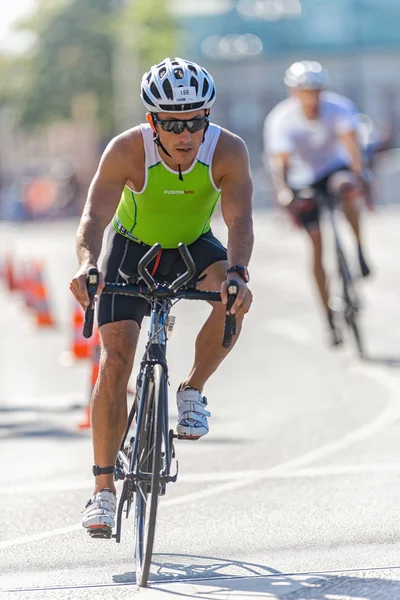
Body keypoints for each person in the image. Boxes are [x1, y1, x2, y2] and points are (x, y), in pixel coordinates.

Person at [70, 57, 253, 536]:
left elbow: (239, 221)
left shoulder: (228, 151)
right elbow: (94, 218)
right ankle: (103, 491)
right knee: (116, 360)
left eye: (195, 121)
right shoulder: (127, 150)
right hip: (133, 250)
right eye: (173, 123)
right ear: (153, 121)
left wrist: (237, 273)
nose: (186, 133)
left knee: (234, 297)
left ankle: (192, 388)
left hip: (195, 247)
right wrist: (87, 265)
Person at [264, 60, 371, 346]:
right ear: (294, 93)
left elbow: (352, 146)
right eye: (306, 92)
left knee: (347, 188)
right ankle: (329, 317)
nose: (312, 98)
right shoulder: (281, 119)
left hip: (333, 169)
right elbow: (281, 165)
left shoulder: (339, 108)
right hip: (302, 178)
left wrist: (358, 176)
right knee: (316, 243)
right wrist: (285, 192)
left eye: (317, 91)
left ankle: (359, 247)